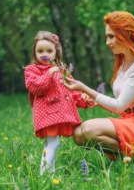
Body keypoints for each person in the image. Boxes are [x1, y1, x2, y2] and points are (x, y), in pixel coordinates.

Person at [64, 11, 134, 160]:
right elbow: (124, 104)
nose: (107, 42)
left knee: (87, 130)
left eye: (111, 36)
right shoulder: (123, 62)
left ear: (126, 35)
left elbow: (119, 106)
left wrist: (85, 89)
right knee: (78, 134)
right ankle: (133, 158)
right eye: (106, 37)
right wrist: (96, 101)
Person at [24, 31, 88, 174]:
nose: (44, 54)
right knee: (53, 143)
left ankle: (49, 174)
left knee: (51, 143)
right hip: (47, 114)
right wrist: (49, 73)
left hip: (60, 114)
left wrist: (84, 99)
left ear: (56, 52)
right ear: (34, 52)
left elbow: (72, 91)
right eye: (40, 51)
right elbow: (36, 87)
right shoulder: (32, 70)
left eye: (49, 50)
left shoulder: (62, 70)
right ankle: (43, 175)